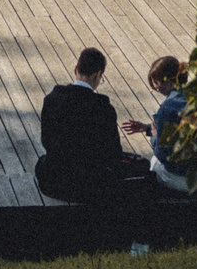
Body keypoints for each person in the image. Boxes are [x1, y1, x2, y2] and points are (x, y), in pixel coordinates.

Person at [33, 46, 152, 203]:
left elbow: (46, 141)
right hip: (89, 186)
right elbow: (112, 152)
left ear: (76, 70)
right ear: (98, 75)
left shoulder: (52, 99)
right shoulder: (103, 108)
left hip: (53, 183)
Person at [143, 56, 197, 196]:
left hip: (181, 180)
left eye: (156, 82)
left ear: (167, 82)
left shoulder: (167, 108)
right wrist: (146, 128)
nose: (154, 87)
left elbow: (162, 153)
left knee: (154, 161)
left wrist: (154, 136)